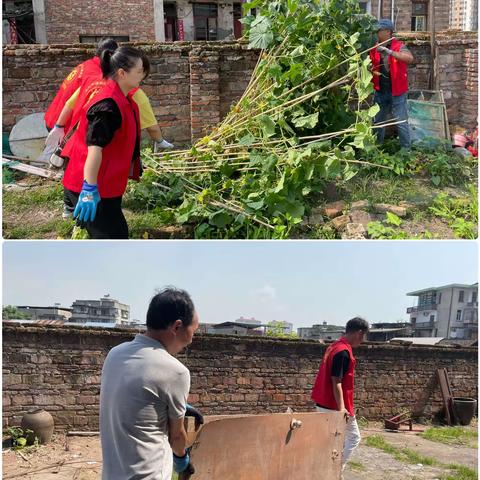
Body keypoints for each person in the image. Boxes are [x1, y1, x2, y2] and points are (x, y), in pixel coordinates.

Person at [100, 287, 200, 480]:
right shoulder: (176, 371)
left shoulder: (115, 354)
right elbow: (177, 435)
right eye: (193, 330)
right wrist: (182, 461)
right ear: (177, 327)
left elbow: (133, 396)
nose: (192, 338)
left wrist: (178, 407)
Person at [61, 46, 149, 239]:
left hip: (107, 183)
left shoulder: (123, 98)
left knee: (112, 235)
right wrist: (89, 189)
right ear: (122, 73)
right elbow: (94, 149)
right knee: (113, 239)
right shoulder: (107, 105)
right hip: (92, 186)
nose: (143, 75)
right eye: (139, 71)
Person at [311, 317, 369, 476]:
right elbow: (336, 381)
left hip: (323, 401)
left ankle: (328, 470)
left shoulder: (334, 346)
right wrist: (342, 409)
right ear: (359, 333)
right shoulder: (342, 351)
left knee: (331, 440)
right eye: (363, 336)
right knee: (354, 438)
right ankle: (334, 469)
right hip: (334, 404)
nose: (362, 341)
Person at [370, 19, 414, 150]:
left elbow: (409, 58)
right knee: (378, 122)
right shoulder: (374, 47)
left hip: (397, 92)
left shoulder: (399, 46)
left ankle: (406, 151)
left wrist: (389, 52)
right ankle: (377, 149)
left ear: (388, 32)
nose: (377, 32)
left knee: (401, 122)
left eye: (379, 30)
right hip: (380, 91)